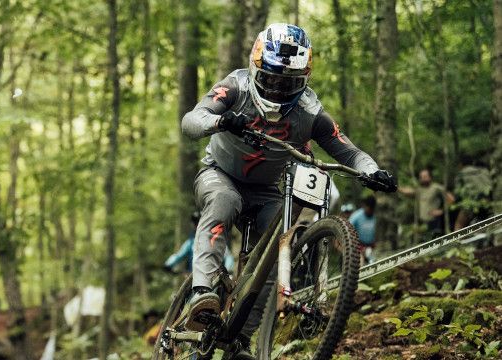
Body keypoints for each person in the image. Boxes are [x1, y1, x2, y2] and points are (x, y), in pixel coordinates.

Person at [179, 23, 397, 356]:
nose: (279, 90)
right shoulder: (234, 86)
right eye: (271, 80)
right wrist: (220, 121)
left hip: (267, 190)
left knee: (280, 244)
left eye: (289, 84)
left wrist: (372, 171)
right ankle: (202, 293)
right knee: (223, 201)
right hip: (220, 174)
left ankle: (241, 339)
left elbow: (347, 150)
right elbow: (192, 120)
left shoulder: (311, 111)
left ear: (303, 81)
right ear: (256, 69)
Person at [163, 211, 235, 273]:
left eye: (200, 222)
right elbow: (179, 255)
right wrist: (168, 264)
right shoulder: (190, 242)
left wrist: (228, 269)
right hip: (193, 279)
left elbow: (228, 256)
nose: (197, 225)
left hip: (214, 279)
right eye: (195, 223)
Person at [400, 168, 454, 238]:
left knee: (436, 239)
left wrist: (442, 210)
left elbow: (451, 199)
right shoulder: (420, 190)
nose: (423, 179)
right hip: (423, 223)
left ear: (430, 177)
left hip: (435, 221)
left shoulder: (436, 187)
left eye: (425, 176)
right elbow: (409, 192)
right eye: (421, 177)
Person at [453, 158, 492, 231]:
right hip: (488, 202)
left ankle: (458, 241)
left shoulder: (461, 173)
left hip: (472, 203)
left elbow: (458, 193)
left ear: (461, 165)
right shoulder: (484, 171)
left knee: (459, 224)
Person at [349, 196, 377, 264]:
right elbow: (348, 230)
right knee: (360, 262)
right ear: (365, 206)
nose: (370, 211)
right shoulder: (356, 216)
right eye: (369, 209)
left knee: (373, 261)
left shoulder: (374, 216)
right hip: (358, 245)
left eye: (372, 209)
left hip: (370, 245)